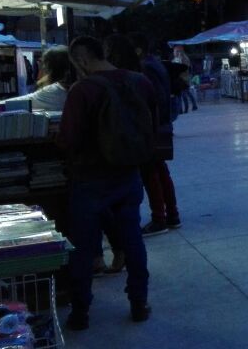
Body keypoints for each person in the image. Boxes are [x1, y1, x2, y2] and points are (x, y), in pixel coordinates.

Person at [58, 36, 154, 331]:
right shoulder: (141, 81)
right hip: (128, 174)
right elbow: (153, 122)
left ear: (81, 59)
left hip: (89, 179)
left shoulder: (82, 90)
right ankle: (138, 302)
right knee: (133, 239)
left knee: (84, 247)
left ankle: (80, 312)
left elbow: (68, 140)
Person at [129, 33, 182, 236]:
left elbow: (155, 99)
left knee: (152, 173)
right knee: (159, 171)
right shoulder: (154, 64)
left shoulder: (147, 67)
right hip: (159, 125)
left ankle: (160, 217)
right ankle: (171, 215)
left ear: (138, 50)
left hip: (154, 128)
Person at [4, 46, 74, 111]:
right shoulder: (75, 86)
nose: (43, 67)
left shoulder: (55, 90)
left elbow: (26, 101)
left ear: (52, 68)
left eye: (45, 64)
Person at [172, 45, 198, 112]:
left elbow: (184, 68)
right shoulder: (178, 58)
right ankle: (190, 107)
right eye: (175, 51)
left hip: (184, 78)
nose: (175, 52)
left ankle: (185, 109)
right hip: (181, 78)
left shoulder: (184, 58)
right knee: (186, 93)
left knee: (184, 94)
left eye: (177, 51)